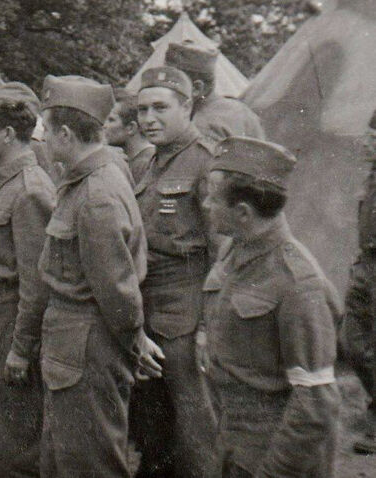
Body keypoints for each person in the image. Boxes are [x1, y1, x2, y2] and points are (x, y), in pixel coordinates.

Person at [36, 76, 162, 477]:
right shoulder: (92, 178)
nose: (44, 139)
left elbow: (117, 288)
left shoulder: (96, 195)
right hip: (78, 342)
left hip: (87, 344)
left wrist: (133, 339)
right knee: (66, 459)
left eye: (48, 130)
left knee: (90, 463)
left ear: (67, 135)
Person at [200, 136, 340, 477]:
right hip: (233, 436)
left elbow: (316, 401)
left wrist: (273, 472)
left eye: (213, 198)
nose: (204, 203)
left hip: (274, 451)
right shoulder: (235, 249)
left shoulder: (296, 281)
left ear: (243, 213)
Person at [130, 66, 218, 478]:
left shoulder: (205, 163)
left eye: (160, 107)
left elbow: (224, 254)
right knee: (151, 418)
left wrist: (208, 327)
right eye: (142, 109)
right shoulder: (149, 160)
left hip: (186, 309)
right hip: (147, 306)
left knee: (194, 420)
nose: (148, 118)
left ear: (187, 106)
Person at [0, 82, 54, 477]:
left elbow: (36, 284)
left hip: (8, 323)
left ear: (7, 133)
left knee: (18, 436)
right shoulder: (0, 181)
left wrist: (21, 348)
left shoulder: (29, 190)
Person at [341, 109, 376, 454]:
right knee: (353, 341)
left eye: (374, 139)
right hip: (366, 265)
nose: (366, 144)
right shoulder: (371, 177)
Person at [164, 42, 265, 143]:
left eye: (171, 85)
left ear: (196, 89)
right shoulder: (241, 109)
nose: (164, 93)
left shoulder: (199, 127)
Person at [105, 89, 155, 184]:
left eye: (111, 120)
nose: (104, 126)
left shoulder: (145, 164)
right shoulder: (131, 160)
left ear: (131, 128)